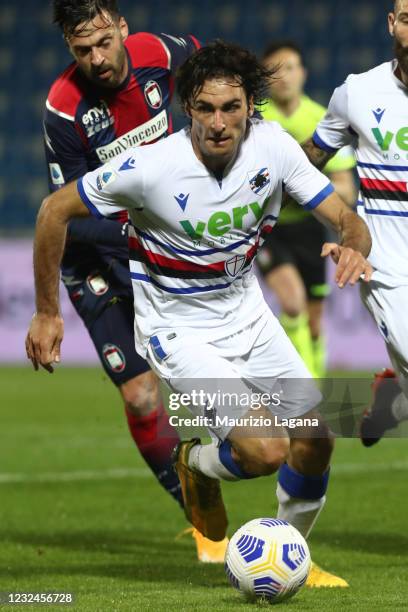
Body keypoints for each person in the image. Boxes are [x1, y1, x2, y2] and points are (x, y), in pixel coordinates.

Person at [26, 40, 372, 587]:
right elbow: (53, 211)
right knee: (265, 449)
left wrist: (354, 242)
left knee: (317, 438)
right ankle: (195, 465)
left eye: (230, 108)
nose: (218, 122)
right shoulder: (148, 167)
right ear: (187, 107)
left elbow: (344, 216)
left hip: (249, 316)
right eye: (205, 109)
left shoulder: (274, 147)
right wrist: (48, 310)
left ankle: (291, 555)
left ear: (249, 108)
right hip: (178, 330)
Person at [41, 0, 226, 562]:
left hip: (162, 248)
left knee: (216, 387)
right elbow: (70, 214)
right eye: (82, 51)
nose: (97, 59)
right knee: (144, 396)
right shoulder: (64, 109)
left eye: (104, 42)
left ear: (122, 29)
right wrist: (151, 222)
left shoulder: (158, 54)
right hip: (99, 260)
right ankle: (200, 516)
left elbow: (209, 66)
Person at [302, 0, 408, 445]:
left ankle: (393, 402)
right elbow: (311, 158)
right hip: (388, 267)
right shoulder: (358, 93)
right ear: (391, 24)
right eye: (407, 19)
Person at [256, 41, 356, 379]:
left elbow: (346, 188)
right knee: (293, 302)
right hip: (269, 230)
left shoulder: (321, 120)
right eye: (275, 70)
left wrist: (307, 190)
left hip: (311, 230)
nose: (283, 76)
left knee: (313, 322)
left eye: (290, 67)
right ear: (265, 79)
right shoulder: (254, 121)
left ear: (303, 74)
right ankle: (305, 389)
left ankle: (315, 382)